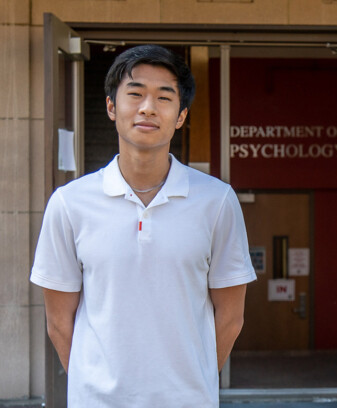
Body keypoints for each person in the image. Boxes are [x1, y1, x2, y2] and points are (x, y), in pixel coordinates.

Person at [30, 44, 256, 407]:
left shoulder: (217, 202)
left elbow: (230, 317)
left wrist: (193, 383)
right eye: (134, 94)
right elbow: (59, 322)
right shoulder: (70, 203)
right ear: (111, 107)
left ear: (181, 115)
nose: (148, 107)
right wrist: (94, 386)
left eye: (164, 97)